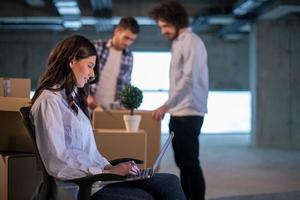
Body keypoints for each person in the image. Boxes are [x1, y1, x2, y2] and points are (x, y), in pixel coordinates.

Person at [30, 35, 186, 200]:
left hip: (99, 178)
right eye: (90, 66)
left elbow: (89, 154)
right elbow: (57, 163)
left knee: (170, 181)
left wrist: (110, 166)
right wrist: (106, 172)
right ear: (71, 61)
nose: (92, 75)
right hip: (83, 185)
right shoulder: (49, 102)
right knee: (148, 197)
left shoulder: (71, 99)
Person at [149, 1, 209, 200]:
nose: (163, 31)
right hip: (179, 112)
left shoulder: (191, 41)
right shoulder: (178, 42)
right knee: (184, 164)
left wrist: (167, 104)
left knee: (190, 164)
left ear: (176, 22)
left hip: (188, 113)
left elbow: (188, 79)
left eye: (165, 26)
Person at [88, 16, 139, 110]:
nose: (128, 43)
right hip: (90, 106)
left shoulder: (129, 56)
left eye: (132, 40)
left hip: (113, 109)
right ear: (117, 31)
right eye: (126, 37)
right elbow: (83, 76)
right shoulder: (96, 47)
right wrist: (88, 98)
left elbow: (126, 83)